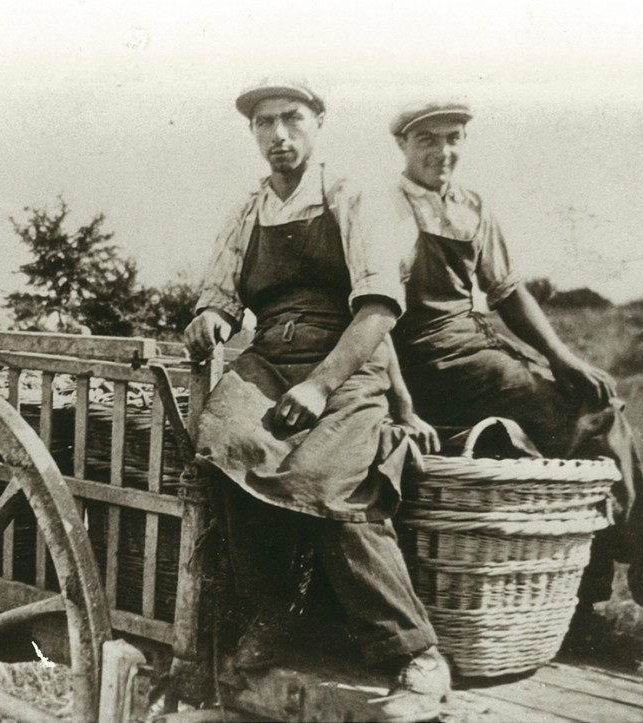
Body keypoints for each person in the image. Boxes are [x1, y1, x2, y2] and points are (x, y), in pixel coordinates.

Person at [184, 77, 449, 722]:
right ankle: (274, 619)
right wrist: (212, 319)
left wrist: (321, 383)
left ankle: (417, 657)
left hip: (349, 361)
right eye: (263, 124)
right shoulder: (249, 210)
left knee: (329, 481)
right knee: (225, 448)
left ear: (318, 122)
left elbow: (381, 307)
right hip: (270, 357)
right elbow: (216, 296)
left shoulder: (352, 195)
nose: (278, 135)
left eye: (292, 119)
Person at [383, 100, 643, 655]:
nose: (443, 152)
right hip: (428, 360)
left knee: (594, 400)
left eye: (454, 138)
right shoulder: (389, 210)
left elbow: (508, 291)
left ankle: (587, 603)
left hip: (478, 345)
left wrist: (562, 358)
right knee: (589, 420)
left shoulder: (471, 205)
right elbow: (378, 311)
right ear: (402, 145)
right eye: (428, 140)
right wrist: (400, 402)